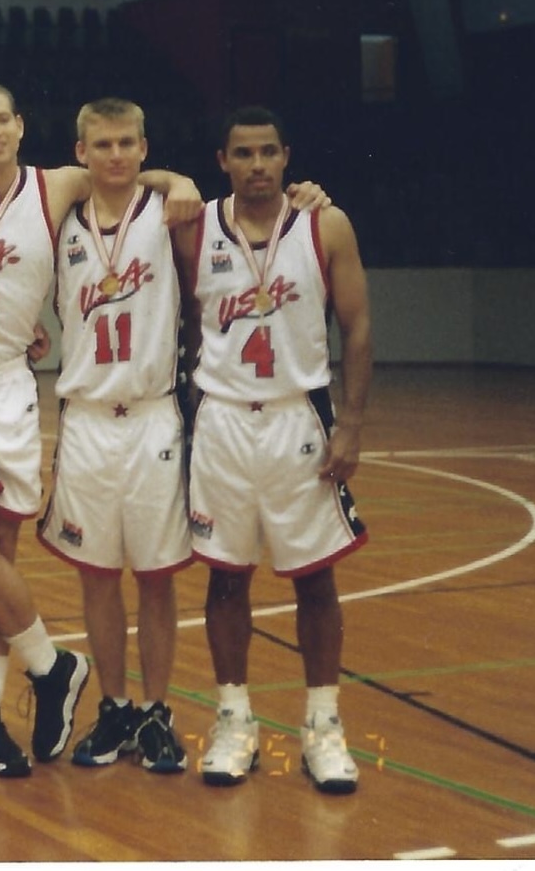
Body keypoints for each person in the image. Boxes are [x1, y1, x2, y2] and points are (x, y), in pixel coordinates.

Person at [0, 82, 200, 777]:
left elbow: (123, 165)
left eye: (4, 118)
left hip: (11, 384)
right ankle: (50, 664)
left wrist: (178, 175)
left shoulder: (53, 187)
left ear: (18, 124)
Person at [173, 106, 372, 795]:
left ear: (286, 156)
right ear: (221, 161)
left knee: (314, 577)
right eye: (241, 154)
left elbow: (357, 326)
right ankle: (234, 720)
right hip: (222, 422)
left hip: (298, 419)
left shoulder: (325, 224)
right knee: (226, 577)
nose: (256, 165)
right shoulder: (194, 226)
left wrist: (349, 424)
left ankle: (322, 726)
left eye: (267, 152)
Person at [37, 98, 193, 775]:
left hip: (153, 414)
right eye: (101, 145)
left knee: (155, 577)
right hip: (86, 418)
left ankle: (157, 710)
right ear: (80, 153)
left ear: (143, 147)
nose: (115, 156)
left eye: (127, 143)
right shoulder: (58, 220)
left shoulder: (172, 214)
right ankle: (114, 705)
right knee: (97, 576)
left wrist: (177, 180)